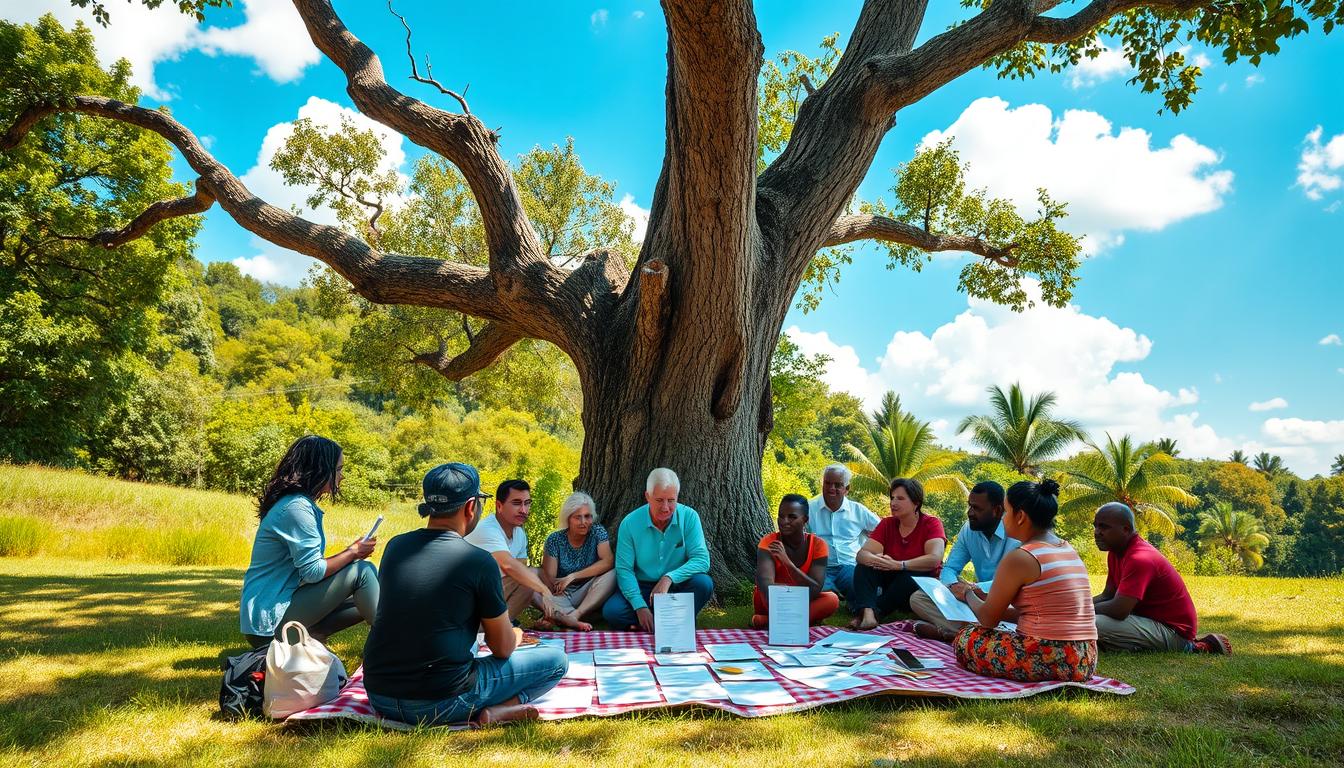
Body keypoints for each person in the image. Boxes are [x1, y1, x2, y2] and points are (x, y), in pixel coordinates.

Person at [363, 463, 567, 727]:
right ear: (471, 507)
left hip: (380, 696)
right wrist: (515, 634)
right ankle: (500, 710)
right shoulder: (478, 561)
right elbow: (502, 648)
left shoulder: (395, 547)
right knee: (556, 661)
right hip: (441, 702)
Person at [239, 435, 379, 649]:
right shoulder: (297, 508)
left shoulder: (295, 504)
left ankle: (312, 639)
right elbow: (313, 572)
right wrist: (353, 552)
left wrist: (352, 552)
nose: (341, 477)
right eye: (338, 469)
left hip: (271, 619)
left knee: (371, 592)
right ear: (320, 469)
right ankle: (395, 648)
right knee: (362, 571)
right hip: (268, 625)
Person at [954, 480, 1098, 683]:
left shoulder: (1021, 557)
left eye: (1005, 511)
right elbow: (1041, 613)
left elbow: (988, 619)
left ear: (1020, 516)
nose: (1002, 519)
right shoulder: (1066, 548)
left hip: (1051, 655)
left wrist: (966, 593)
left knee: (967, 637)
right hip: (1085, 658)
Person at [1093, 503, 1231, 654]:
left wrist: (1079, 611)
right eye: (1096, 526)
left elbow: (1120, 610)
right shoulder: (1116, 552)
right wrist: (1072, 606)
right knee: (1085, 624)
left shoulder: (1139, 558)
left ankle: (1194, 648)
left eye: (1104, 527)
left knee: (1092, 624)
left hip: (1173, 632)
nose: (1097, 532)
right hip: (1148, 621)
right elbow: (1108, 595)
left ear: (1125, 529)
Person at [602, 468, 714, 632]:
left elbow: (702, 560)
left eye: (671, 500)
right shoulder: (630, 523)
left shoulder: (690, 517)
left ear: (677, 497)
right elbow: (624, 569)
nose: (665, 507)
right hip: (642, 587)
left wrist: (668, 578)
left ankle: (652, 623)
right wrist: (639, 606)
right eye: (659, 500)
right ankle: (675, 619)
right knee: (612, 612)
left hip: (677, 585)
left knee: (704, 584)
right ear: (647, 496)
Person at [911, 481, 1021, 642]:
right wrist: (954, 586)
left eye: (977, 508)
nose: (969, 513)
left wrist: (971, 589)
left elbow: (1013, 583)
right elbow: (950, 568)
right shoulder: (968, 529)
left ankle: (963, 634)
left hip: (1005, 600)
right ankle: (971, 635)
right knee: (918, 598)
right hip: (975, 599)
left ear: (997, 510)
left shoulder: (1016, 534)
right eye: (969, 506)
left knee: (1016, 612)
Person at [848, 478, 946, 630]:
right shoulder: (887, 524)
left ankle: (873, 612)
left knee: (910, 576)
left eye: (900, 498)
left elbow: (934, 559)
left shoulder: (931, 523)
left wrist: (899, 565)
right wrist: (878, 560)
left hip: (918, 584)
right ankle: (867, 614)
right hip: (892, 579)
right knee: (863, 568)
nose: (893, 503)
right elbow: (862, 555)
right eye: (892, 498)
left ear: (916, 503)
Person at [465, 479, 558, 623]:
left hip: (489, 600)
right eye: (516, 503)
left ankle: (501, 629)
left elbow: (522, 576)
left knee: (527, 578)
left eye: (527, 503)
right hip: (466, 603)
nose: (523, 510)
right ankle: (491, 631)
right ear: (499, 506)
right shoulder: (487, 529)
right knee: (529, 575)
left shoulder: (519, 534)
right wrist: (545, 591)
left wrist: (553, 613)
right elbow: (509, 567)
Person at [751, 494, 840, 629]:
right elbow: (766, 586)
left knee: (831, 600)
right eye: (781, 516)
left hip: (803, 598)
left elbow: (815, 589)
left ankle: (769, 622)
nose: (784, 521)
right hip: (773, 600)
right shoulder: (768, 542)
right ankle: (796, 620)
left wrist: (788, 563)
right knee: (765, 591)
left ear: (805, 520)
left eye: (792, 517)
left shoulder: (818, 545)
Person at [539, 492, 616, 631]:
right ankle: (561, 617)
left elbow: (608, 562)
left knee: (614, 574)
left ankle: (573, 615)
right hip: (561, 594)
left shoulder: (597, 532)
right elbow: (550, 579)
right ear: (568, 519)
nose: (583, 522)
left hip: (589, 592)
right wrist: (556, 590)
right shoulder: (555, 540)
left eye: (587, 516)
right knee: (531, 577)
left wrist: (573, 576)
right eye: (577, 517)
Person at [807, 464, 880, 598]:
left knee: (862, 587)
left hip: (849, 566)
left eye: (837, 485)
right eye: (827, 483)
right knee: (812, 592)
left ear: (847, 489)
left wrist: (872, 551)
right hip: (821, 567)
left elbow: (883, 531)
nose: (831, 488)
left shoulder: (858, 510)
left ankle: (841, 593)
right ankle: (834, 591)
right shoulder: (809, 509)